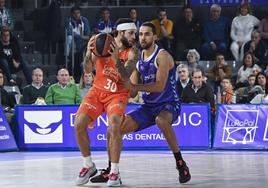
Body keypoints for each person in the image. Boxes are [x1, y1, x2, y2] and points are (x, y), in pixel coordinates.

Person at [90, 22, 191, 185]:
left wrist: (134, 86)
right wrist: (116, 63)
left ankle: (180, 163)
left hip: (169, 103)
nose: (142, 37)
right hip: (148, 107)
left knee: (161, 121)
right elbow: (132, 92)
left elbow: (159, 86)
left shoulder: (162, 56)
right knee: (112, 130)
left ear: (155, 37)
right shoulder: (138, 59)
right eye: (141, 34)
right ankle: (111, 170)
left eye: (147, 34)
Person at [74, 18, 139, 187]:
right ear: (121, 32)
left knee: (115, 125)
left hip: (117, 94)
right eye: (131, 33)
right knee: (78, 123)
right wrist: (89, 53)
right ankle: (88, 165)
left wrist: (116, 59)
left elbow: (125, 77)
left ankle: (114, 173)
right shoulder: (101, 42)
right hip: (97, 91)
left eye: (135, 33)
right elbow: (88, 70)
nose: (134, 36)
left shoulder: (133, 52)